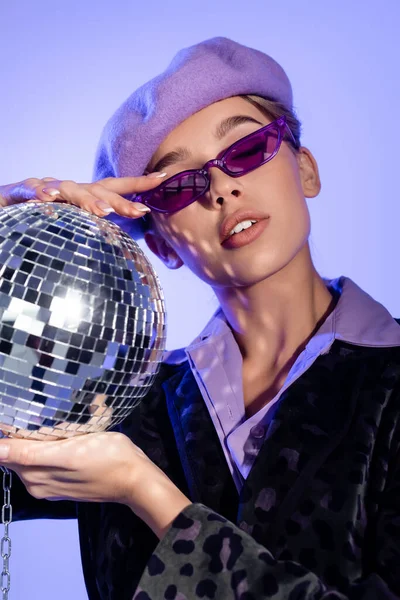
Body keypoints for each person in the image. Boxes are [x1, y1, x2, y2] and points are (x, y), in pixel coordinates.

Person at [0, 37, 399, 600]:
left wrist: (146, 493)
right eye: (180, 185)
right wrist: (12, 214)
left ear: (305, 170)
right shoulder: (116, 402)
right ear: (161, 243)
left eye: (246, 149)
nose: (221, 188)